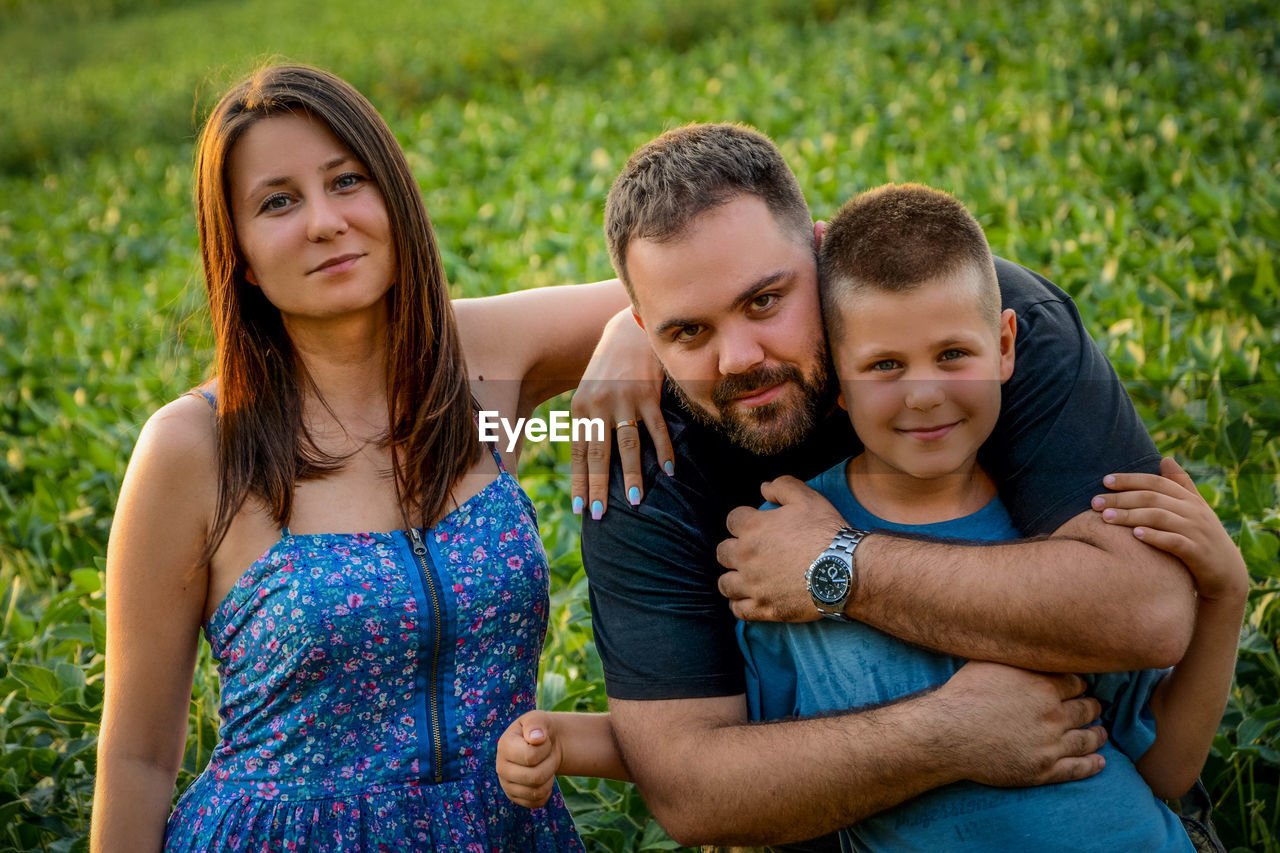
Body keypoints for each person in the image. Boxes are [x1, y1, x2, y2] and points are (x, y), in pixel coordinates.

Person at [495, 185, 1244, 852]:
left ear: (818, 262)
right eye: (685, 330)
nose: (740, 357)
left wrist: (838, 565)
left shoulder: (990, 321)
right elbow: (696, 770)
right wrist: (954, 731)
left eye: (765, 301)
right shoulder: (671, 475)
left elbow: (1151, 676)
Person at [91, 64, 637, 852]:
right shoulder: (192, 446)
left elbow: (732, 280)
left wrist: (632, 330)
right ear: (238, 253)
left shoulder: (483, 353)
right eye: (277, 201)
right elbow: (138, 758)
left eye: (346, 181)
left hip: (507, 830)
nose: (323, 221)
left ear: (393, 197)